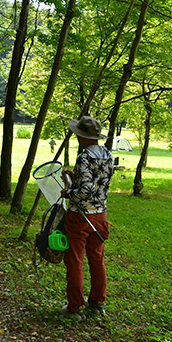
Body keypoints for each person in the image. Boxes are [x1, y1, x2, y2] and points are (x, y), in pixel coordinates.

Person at [60, 116, 113, 320]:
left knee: (75, 260)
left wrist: (67, 192)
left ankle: (75, 307)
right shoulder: (107, 154)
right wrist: (74, 177)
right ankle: (98, 304)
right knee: (97, 258)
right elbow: (97, 183)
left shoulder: (84, 157)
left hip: (80, 216)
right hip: (100, 215)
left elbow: (85, 191)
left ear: (83, 136)